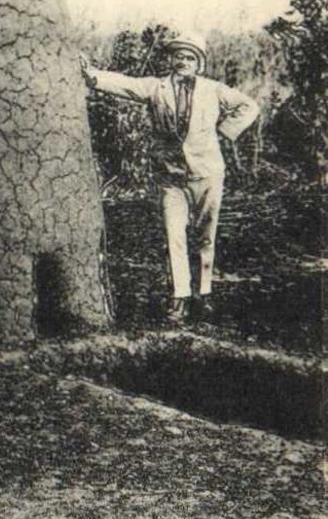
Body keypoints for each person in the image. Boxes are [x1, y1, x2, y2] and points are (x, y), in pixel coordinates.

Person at [80, 32, 259, 324]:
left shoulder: (213, 90)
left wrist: (225, 132)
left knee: (205, 236)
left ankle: (204, 293)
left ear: (198, 63)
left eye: (189, 58)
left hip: (207, 174)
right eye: (178, 56)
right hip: (170, 177)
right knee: (173, 236)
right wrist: (91, 76)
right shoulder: (156, 87)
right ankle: (179, 298)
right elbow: (126, 85)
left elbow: (249, 105)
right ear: (171, 59)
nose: (183, 62)